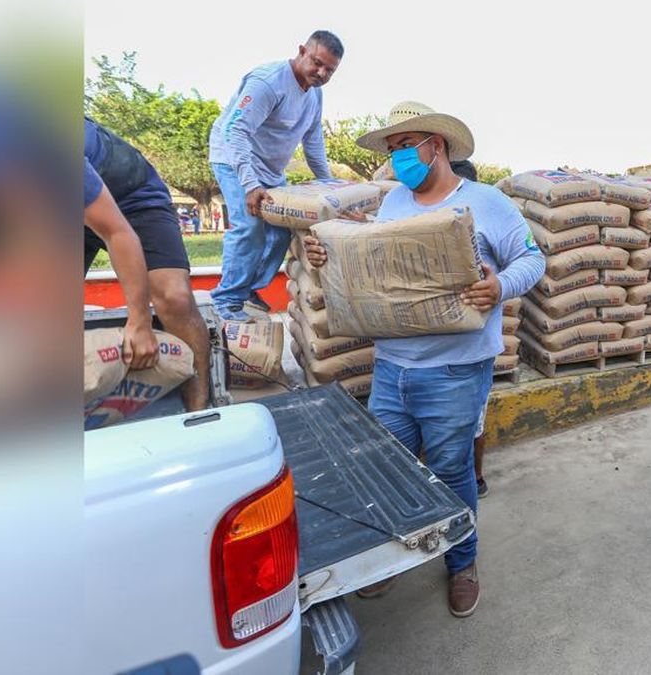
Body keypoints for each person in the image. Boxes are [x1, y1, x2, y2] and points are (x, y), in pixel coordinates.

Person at [303, 101, 545, 617]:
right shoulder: (393, 204)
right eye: (392, 149)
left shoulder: (486, 202)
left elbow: (532, 258)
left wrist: (499, 286)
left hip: (455, 371)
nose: (398, 157)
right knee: (387, 469)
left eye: (405, 145)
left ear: (436, 146)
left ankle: (462, 562)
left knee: (451, 470)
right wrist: (327, 255)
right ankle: (391, 558)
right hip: (392, 366)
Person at [207, 30, 343, 322]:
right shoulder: (268, 83)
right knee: (250, 226)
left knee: (282, 229)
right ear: (302, 51)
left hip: (270, 170)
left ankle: (247, 289)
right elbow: (235, 131)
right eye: (317, 62)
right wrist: (250, 184)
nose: (322, 73)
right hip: (234, 158)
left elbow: (313, 142)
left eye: (330, 70)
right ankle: (226, 299)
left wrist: (330, 183)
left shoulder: (314, 94)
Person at [83, 118, 211, 411]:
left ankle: (199, 407)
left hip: (134, 201)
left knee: (174, 298)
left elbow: (118, 233)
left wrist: (139, 321)